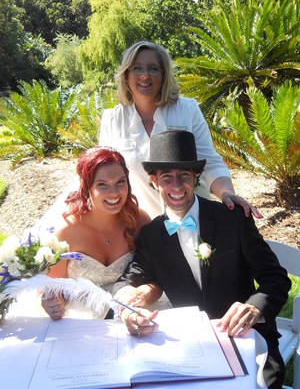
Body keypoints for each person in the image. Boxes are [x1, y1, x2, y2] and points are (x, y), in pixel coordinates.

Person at [114, 130, 291, 389]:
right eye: (167, 178)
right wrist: (130, 300)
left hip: (247, 338)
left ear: (196, 177)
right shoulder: (151, 236)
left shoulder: (233, 220)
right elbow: (125, 283)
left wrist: (253, 309)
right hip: (189, 348)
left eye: (184, 175)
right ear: (154, 181)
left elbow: (275, 278)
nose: (176, 186)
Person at [100, 40, 262, 220]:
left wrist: (226, 194)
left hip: (194, 222)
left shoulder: (187, 110)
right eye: (137, 68)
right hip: (141, 228)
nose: (145, 75)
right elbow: (102, 177)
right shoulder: (112, 120)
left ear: (164, 75)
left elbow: (211, 162)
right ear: (126, 75)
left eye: (153, 68)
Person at [41, 146, 153, 320]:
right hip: (80, 321)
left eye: (120, 182)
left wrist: (143, 293)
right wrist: (52, 302)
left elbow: (156, 273)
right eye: (102, 185)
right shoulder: (66, 233)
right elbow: (53, 288)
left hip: (135, 312)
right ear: (87, 188)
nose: (114, 192)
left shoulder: (139, 221)